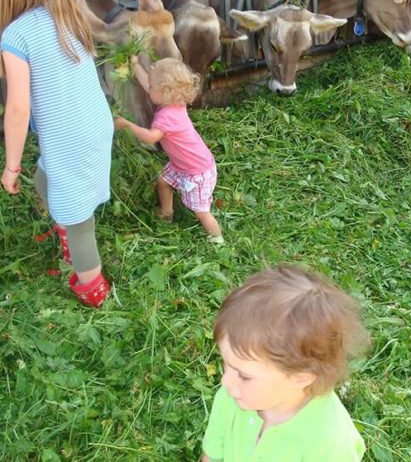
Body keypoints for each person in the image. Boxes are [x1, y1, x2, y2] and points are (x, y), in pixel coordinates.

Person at [0, 0, 113, 308]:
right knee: (46, 180)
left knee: (78, 218)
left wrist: (10, 166)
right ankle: (68, 230)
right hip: (93, 125)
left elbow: (18, 108)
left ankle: (93, 289)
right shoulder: (70, 15)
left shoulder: (15, 35)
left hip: (68, 136)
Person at [202, 265, 369, 461]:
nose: (225, 382)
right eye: (225, 364)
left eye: (244, 376)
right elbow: (213, 450)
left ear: (300, 378)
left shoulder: (331, 443)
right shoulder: (233, 396)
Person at [115, 56, 223, 243]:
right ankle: (167, 213)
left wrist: (127, 125)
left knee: (201, 212)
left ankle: (217, 239)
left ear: (164, 92)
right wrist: (135, 65)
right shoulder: (174, 102)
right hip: (182, 165)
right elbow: (148, 84)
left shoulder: (167, 116)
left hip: (197, 171)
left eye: (151, 87)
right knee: (163, 182)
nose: (148, 89)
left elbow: (151, 137)